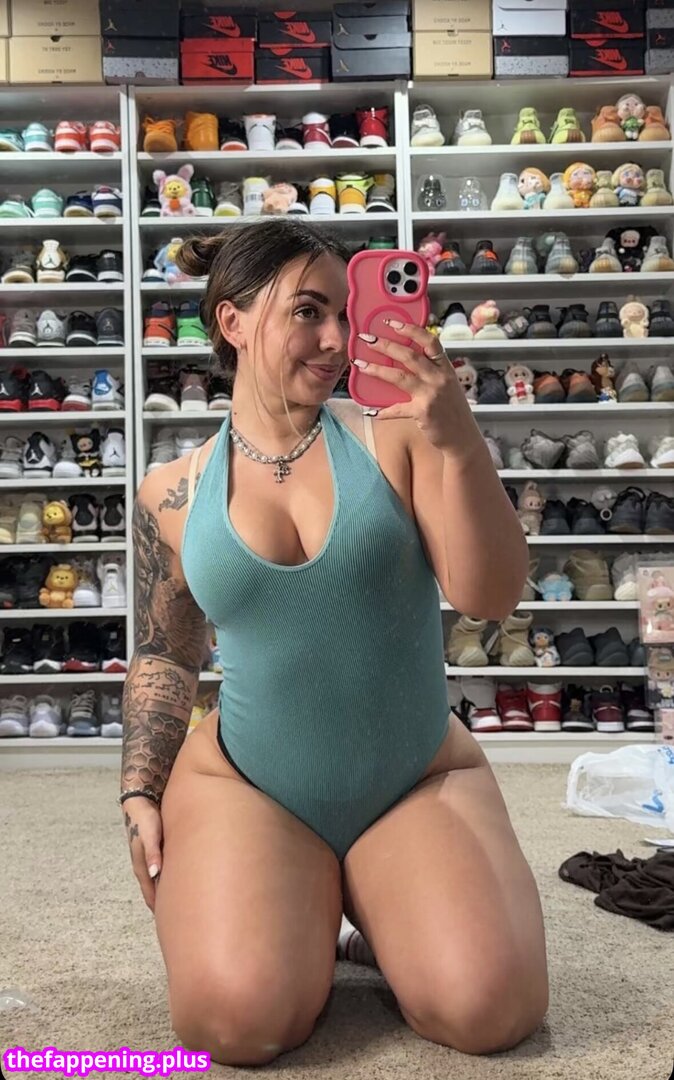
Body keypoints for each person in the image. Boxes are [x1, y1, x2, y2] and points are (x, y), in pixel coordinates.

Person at [121, 218, 548, 1067]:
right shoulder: (172, 492)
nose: (336, 340)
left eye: (343, 314)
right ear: (233, 322)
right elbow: (166, 651)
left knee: (490, 1010)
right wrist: (139, 791)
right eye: (308, 312)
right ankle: (317, 916)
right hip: (250, 784)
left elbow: (490, 597)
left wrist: (459, 437)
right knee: (234, 1024)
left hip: (414, 776)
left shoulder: (396, 435)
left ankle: (370, 912)